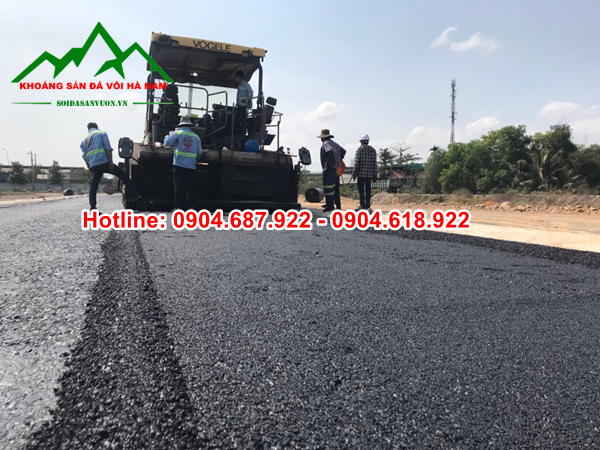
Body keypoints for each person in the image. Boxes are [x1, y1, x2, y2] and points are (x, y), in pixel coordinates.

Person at [80, 122, 144, 211]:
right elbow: (108, 148)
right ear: (97, 127)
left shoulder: (84, 141)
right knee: (124, 175)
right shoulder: (101, 133)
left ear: (88, 129)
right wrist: (111, 162)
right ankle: (135, 197)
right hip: (104, 162)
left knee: (93, 186)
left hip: (94, 165)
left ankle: (93, 208)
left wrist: (89, 167)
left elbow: (84, 156)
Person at [164, 116, 202, 210]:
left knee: (179, 186)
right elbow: (199, 152)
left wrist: (166, 137)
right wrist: (195, 161)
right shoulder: (196, 137)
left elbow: (167, 143)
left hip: (178, 164)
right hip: (191, 166)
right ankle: (191, 207)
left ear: (180, 125)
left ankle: (178, 206)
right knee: (190, 186)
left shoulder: (177, 133)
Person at [317, 129, 344, 212]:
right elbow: (343, 151)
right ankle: (338, 205)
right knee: (335, 188)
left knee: (328, 188)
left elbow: (330, 151)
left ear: (323, 138)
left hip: (329, 169)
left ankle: (330, 205)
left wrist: (329, 163)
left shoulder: (326, 143)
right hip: (336, 169)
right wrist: (338, 160)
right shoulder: (335, 144)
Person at [352, 133, 378, 212]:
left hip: (361, 174)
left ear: (361, 141)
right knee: (368, 190)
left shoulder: (359, 149)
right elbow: (375, 163)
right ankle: (368, 205)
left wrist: (354, 173)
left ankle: (362, 205)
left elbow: (356, 162)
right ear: (368, 141)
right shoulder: (373, 150)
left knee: (361, 190)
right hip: (370, 174)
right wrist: (375, 174)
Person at [235, 70, 254, 136]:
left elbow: (251, 92)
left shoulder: (246, 85)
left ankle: (243, 132)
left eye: (237, 77)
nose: (236, 78)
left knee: (243, 120)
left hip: (243, 106)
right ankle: (238, 132)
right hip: (239, 105)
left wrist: (246, 100)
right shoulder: (239, 85)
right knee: (237, 119)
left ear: (240, 77)